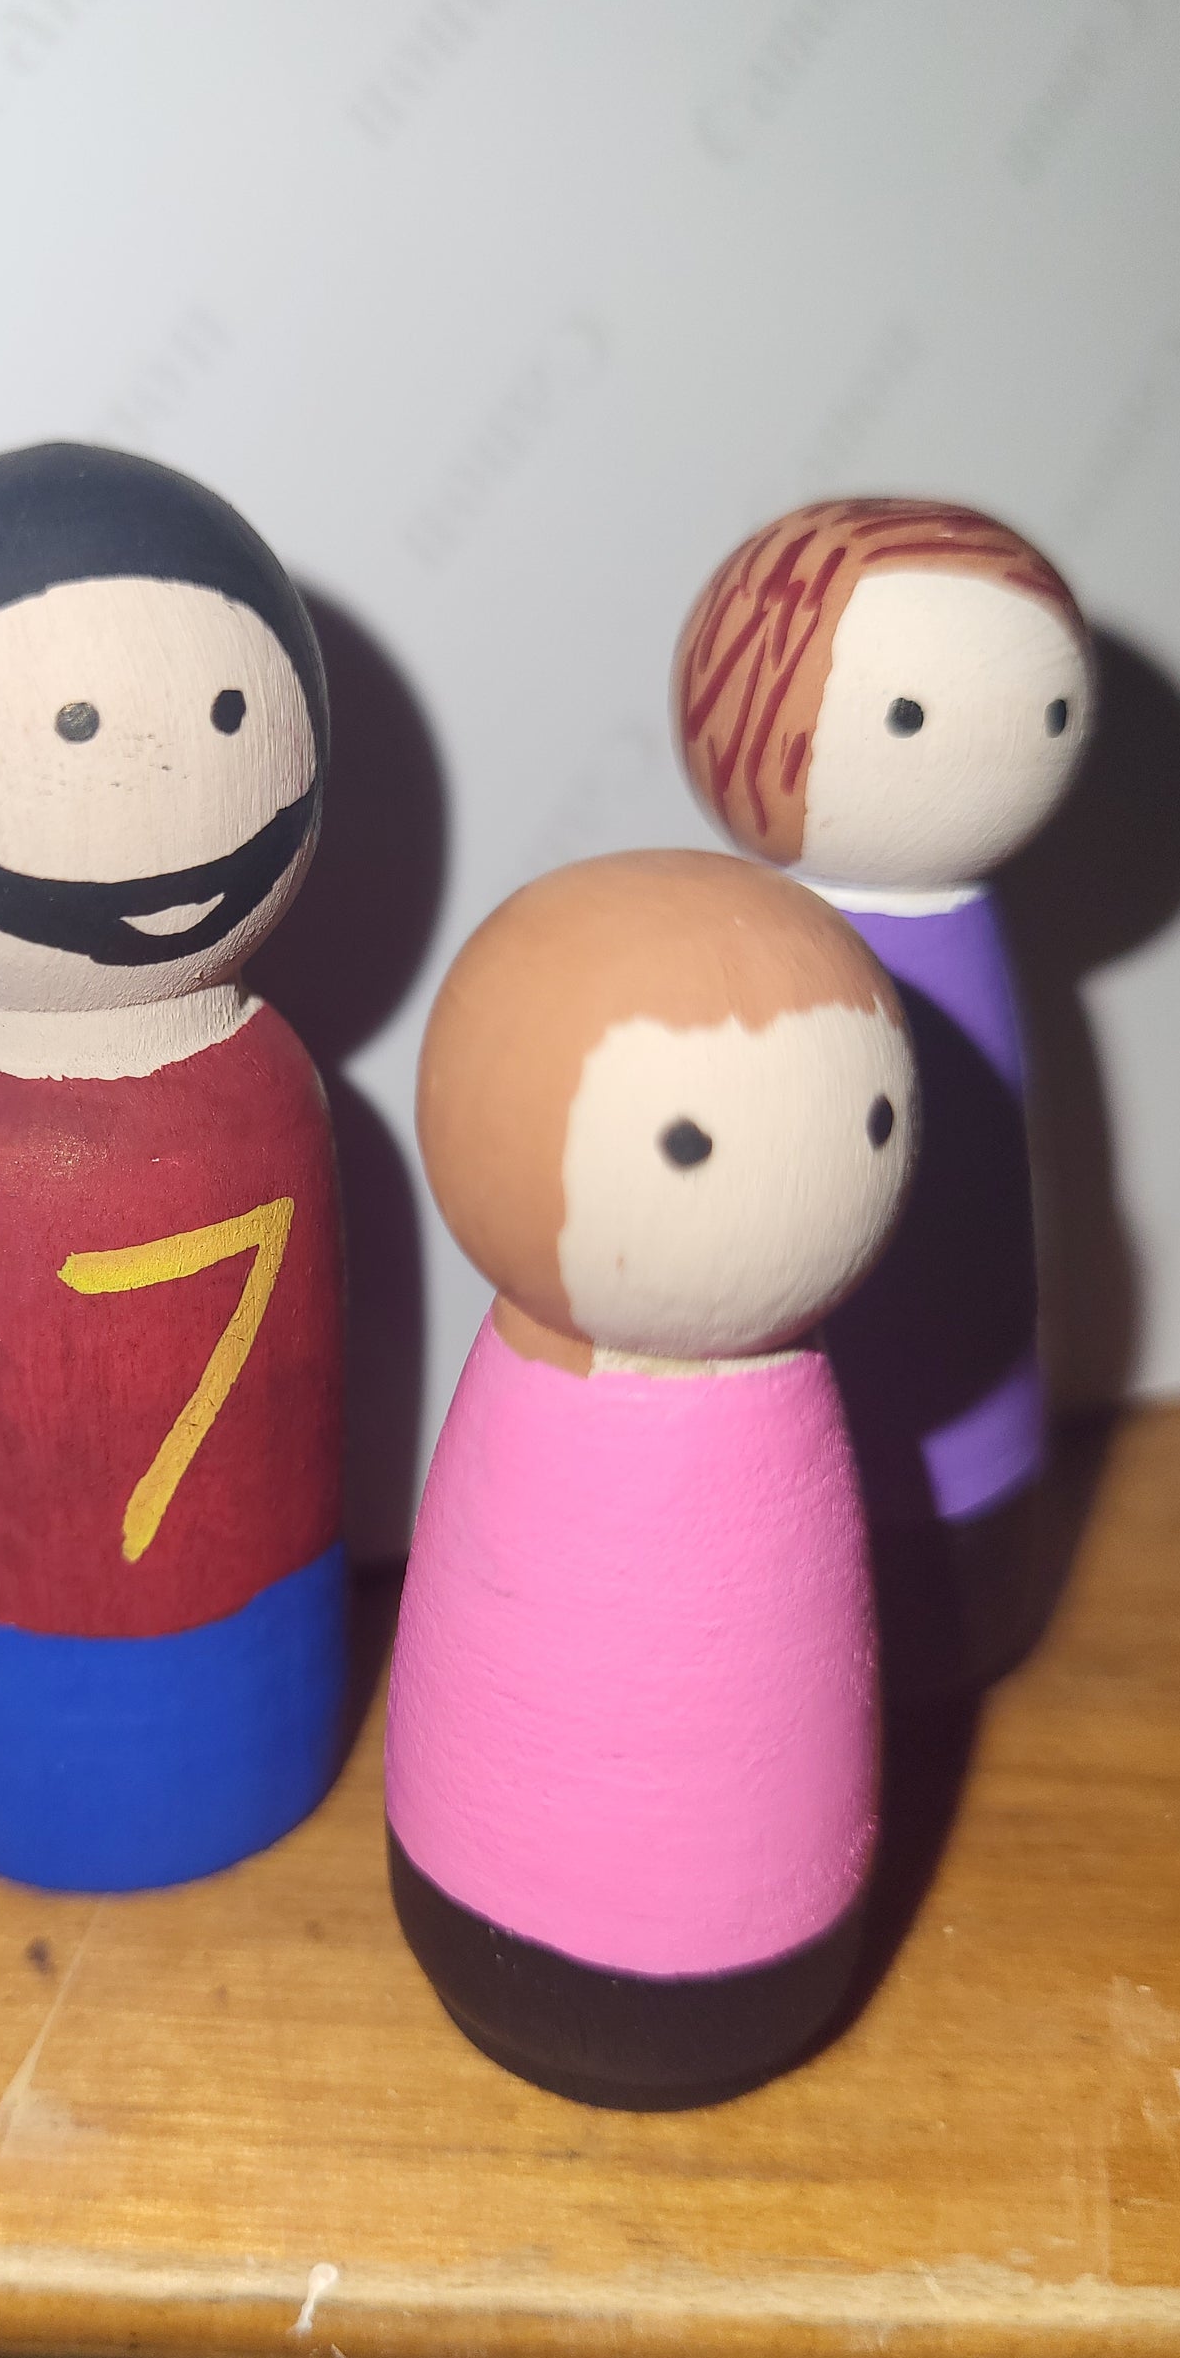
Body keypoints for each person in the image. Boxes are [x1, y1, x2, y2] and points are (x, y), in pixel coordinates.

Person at [0, 443, 344, 1891]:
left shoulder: (264, 1087)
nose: (156, 779)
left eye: (230, 715)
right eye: (73, 730)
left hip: (261, 1636)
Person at [387, 851, 916, 2107]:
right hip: (473, 1897)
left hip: (770, 1944)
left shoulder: (772, 1403)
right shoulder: (554, 1373)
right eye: (689, 1143)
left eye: (870, 1124)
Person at [674, 500, 1096, 1688]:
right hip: (811, 1462)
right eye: (906, 717)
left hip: (980, 1453)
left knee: (961, 1301)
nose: (992, 747)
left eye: (1047, 714)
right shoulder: (805, 956)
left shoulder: (957, 941)